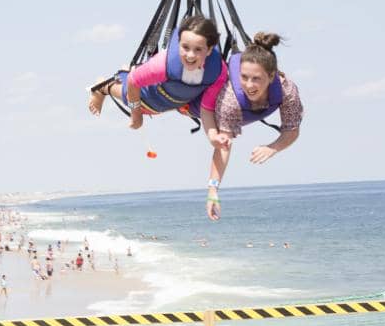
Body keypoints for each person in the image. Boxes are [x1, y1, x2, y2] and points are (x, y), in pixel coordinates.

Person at [206, 32, 303, 221]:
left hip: (251, 111)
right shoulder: (231, 98)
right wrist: (212, 190)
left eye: (256, 78)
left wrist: (273, 147)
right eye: (244, 77)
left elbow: (292, 130)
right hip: (206, 108)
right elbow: (223, 146)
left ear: (271, 76)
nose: (248, 85)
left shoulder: (287, 90)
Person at [88, 16, 227, 138]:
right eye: (185, 47)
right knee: (126, 92)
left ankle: (129, 71)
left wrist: (214, 135)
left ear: (209, 50)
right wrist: (136, 114)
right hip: (146, 97)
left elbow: (208, 107)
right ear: (178, 44)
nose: (190, 55)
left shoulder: (217, 71)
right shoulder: (163, 65)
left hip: (176, 102)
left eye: (198, 49)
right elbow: (133, 81)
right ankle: (103, 88)